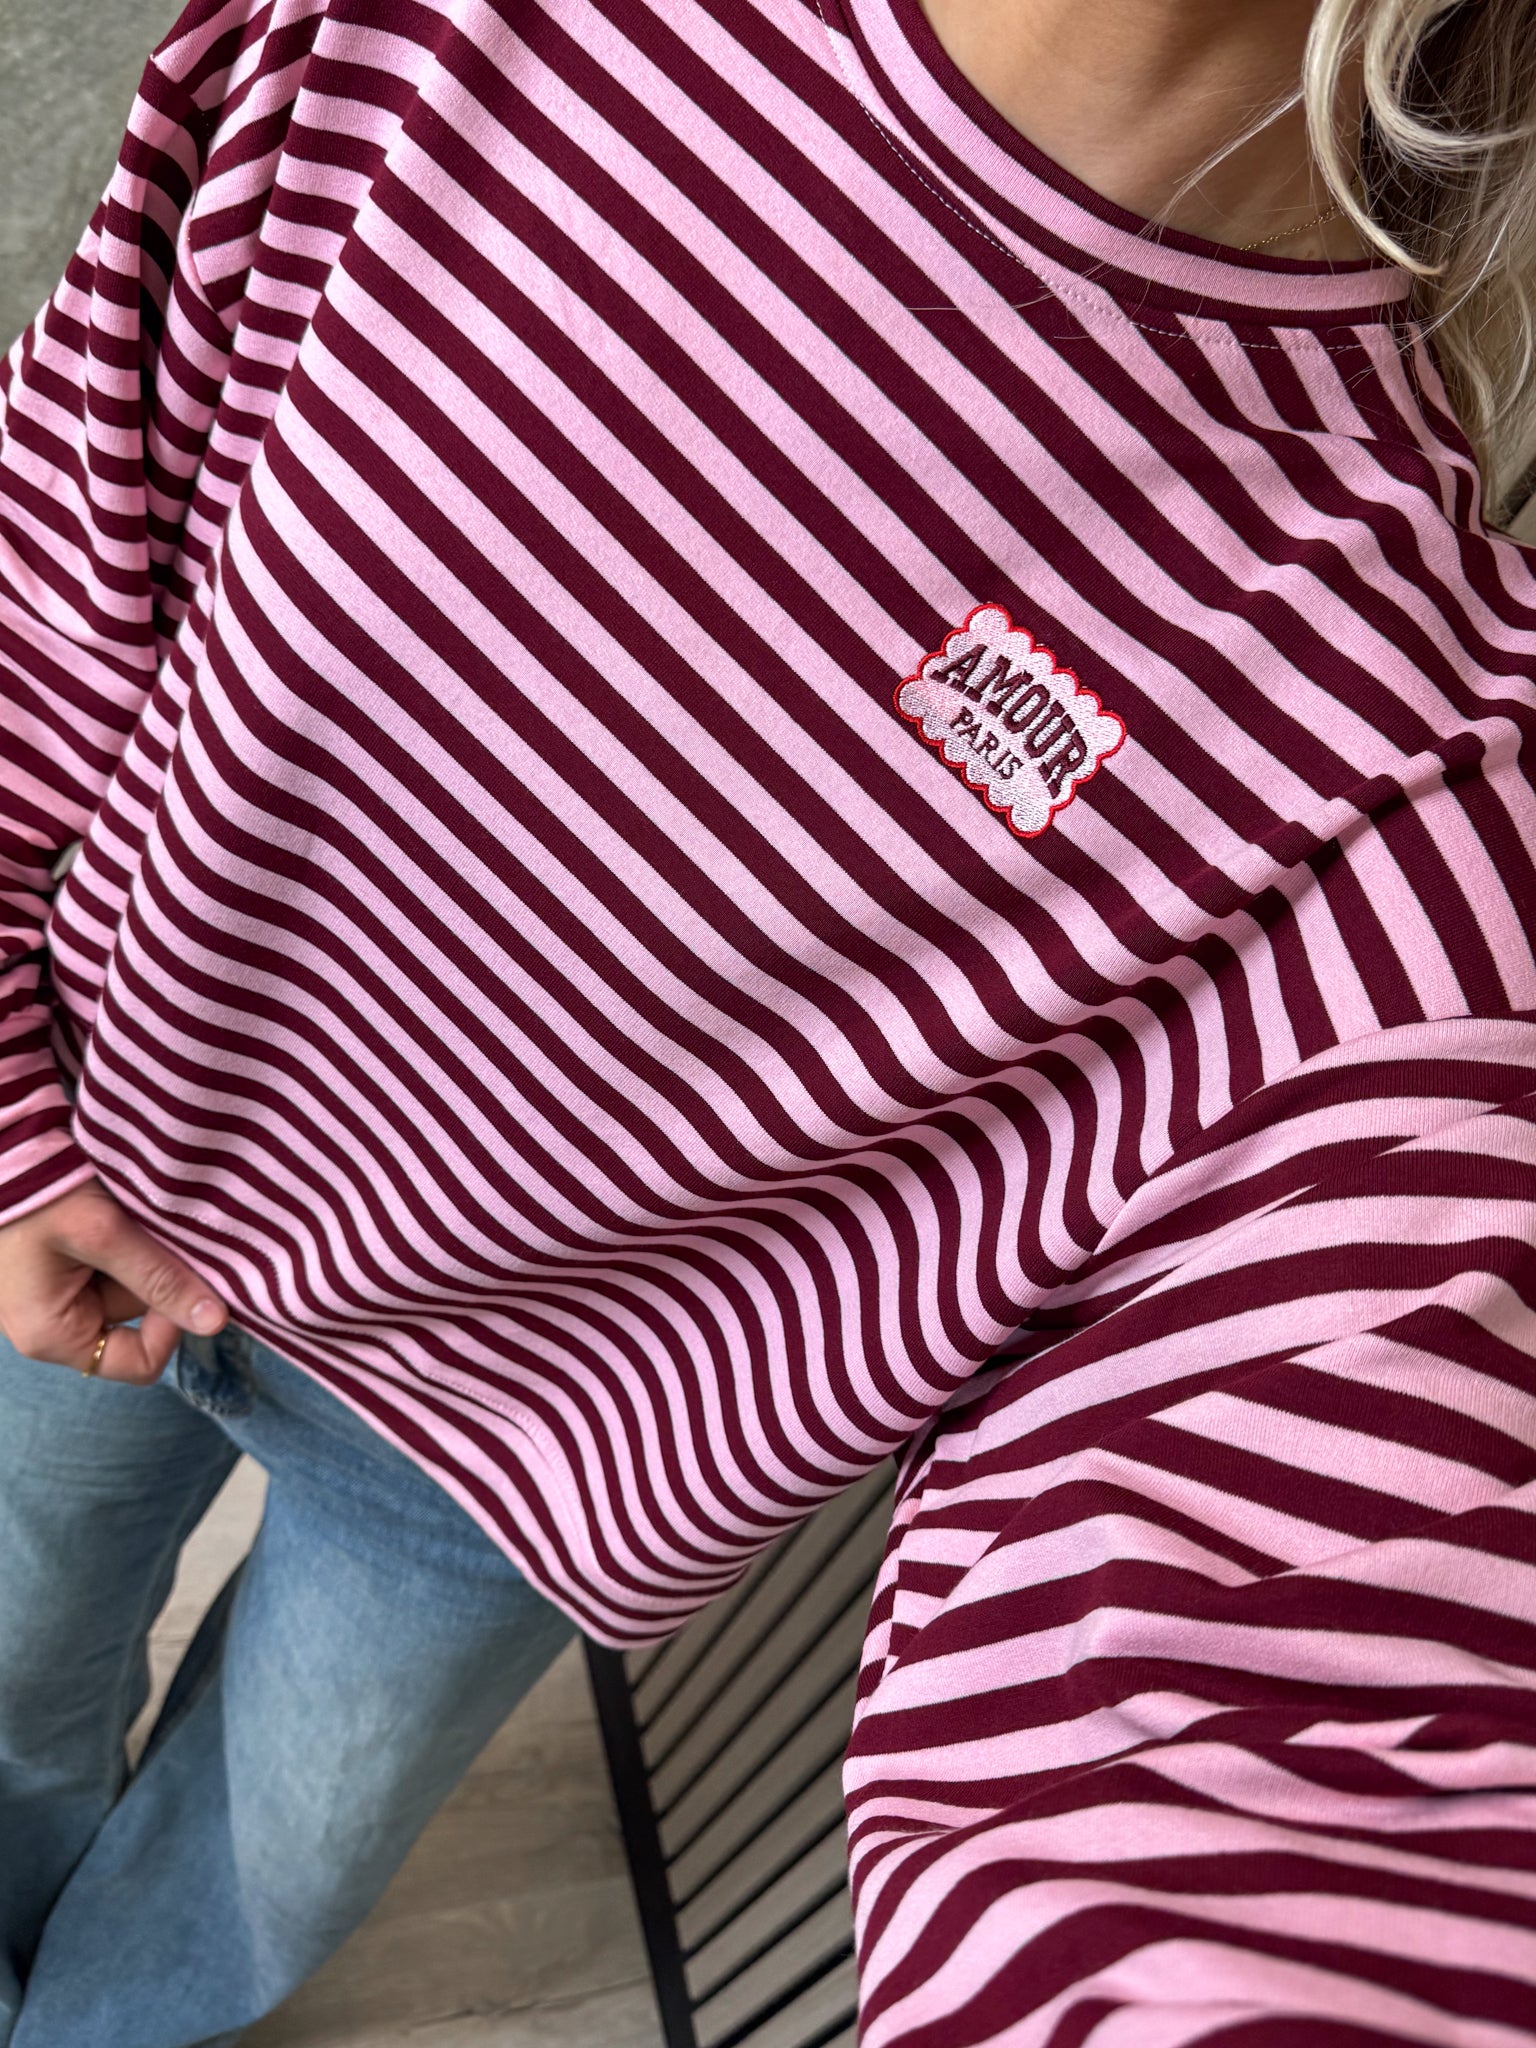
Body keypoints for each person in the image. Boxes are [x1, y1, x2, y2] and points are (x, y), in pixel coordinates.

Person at [0, 0, 1532, 2040]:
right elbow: (53, 560)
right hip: (97, 1171)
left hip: (507, 1466)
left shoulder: (1404, 717)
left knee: (246, 1882)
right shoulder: (439, 37)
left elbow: (1267, 1683)